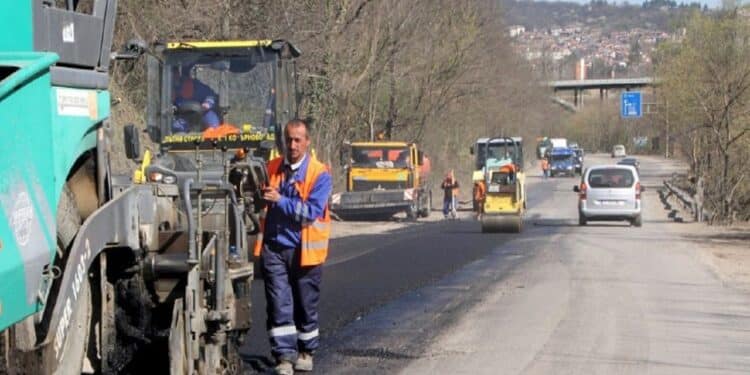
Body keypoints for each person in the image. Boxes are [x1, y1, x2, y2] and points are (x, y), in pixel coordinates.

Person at [253, 119, 333, 375]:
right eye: (289, 139)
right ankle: (284, 357)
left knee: (305, 305)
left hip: (305, 251)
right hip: (274, 248)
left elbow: (310, 212)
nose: (292, 144)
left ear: (307, 142)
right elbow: (257, 199)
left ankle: (306, 351)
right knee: (278, 304)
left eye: (298, 139)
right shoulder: (272, 168)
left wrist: (280, 200)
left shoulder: (320, 174)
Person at [171, 65, 221, 133]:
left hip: (203, 113)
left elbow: (210, 95)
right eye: (172, 75)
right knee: (176, 127)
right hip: (182, 116)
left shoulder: (197, 86)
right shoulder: (168, 90)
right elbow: (170, 109)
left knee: (213, 123)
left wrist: (207, 104)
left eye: (175, 74)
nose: (174, 77)